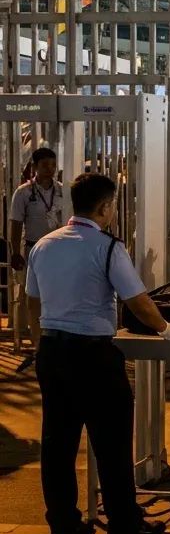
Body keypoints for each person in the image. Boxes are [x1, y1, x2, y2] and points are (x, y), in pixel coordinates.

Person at [27, 173, 170, 534]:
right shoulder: (107, 247)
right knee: (112, 443)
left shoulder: (44, 245)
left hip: (52, 352)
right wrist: (166, 327)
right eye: (113, 205)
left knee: (58, 444)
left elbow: (34, 298)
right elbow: (137, 301)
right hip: (93, 354)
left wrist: (42, 340)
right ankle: (123, 525)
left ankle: (64, 526)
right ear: (105, 207)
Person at [10, 147, 67, 370]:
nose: (50, 170)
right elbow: (16, 223)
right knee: (33, 299)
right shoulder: (23, 193)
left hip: (60, 251)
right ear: (34, 167)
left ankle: (56, 343)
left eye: (53, 165)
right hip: (33, 250)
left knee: (58, 297)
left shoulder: (63, 191)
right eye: (44, 165)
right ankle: (38, 345)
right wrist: (15, 251)